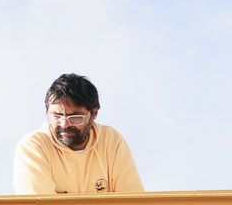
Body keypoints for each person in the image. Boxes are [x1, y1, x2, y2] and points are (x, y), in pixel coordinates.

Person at [12, 71, 144, 195]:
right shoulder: (34, 146)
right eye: (57, 115)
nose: (64, 124)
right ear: (47, 110)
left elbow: (132, 204)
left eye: (75, 117)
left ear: (93, 114)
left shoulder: (110, 141)